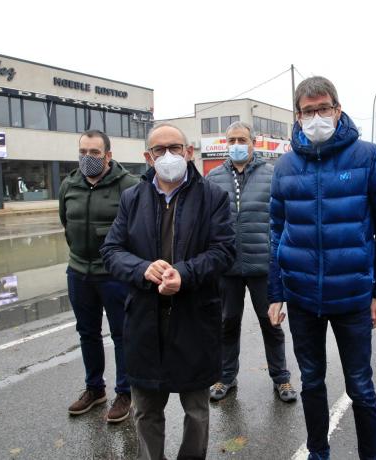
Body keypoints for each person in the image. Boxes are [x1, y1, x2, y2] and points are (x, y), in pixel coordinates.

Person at [268, 76, 376, 460]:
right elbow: (276, 231)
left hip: (354, 297)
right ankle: (318, 453)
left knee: (360, 385)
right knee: (311, 382)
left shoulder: (368, 158)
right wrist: (275, 293)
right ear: (297, 116)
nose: (316, 117)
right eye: (308, 111)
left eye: (323, 108)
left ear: (338, 109)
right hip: (302, 298)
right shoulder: (285, 167)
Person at [100, 123, 235, 459]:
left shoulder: (213, 197)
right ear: (148, 157)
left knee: (196, 411)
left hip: (194, 317)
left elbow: (224, 252)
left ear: (189, 152)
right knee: (146, 410)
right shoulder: (133, 198)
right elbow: (111, 251)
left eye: (175, 147)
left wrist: (184, 274)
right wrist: (142, 268)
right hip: (146, 321)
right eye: (159, 150)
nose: (168, 155)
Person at [206, 121, 297, 403]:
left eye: (241, 139)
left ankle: (281, 378)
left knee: (271, 324)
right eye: (231, 140)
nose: (236, 145)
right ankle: (225, 376)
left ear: (253, 142)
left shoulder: (271, 175)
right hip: (227, 268)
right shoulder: (213, 178)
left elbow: (283, 219)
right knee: (226, 323)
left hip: (263, 266)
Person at [58, 129, 139, 423]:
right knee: (87, 333)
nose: (87, 158)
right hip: (79, 272)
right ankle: (95, 389)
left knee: (122, 334)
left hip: (115, 276)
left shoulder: (129, 185)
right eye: (83, 152)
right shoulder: (69, 185)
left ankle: (125, 392)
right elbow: (66, 223)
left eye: (94, 153)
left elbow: (136, 230)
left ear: (108, 155)